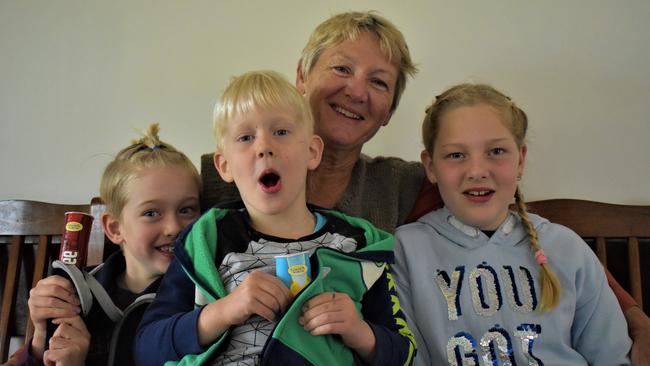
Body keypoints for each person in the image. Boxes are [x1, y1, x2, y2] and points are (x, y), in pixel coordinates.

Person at [198, 10, 649, 365]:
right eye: (342, 68)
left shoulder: (405, 183)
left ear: (389, 111)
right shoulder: (231, 174)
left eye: (379, 82)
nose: (357, 91)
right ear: (302, 75)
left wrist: (633, 315)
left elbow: (530, 239)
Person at [134, 71, 415, 366]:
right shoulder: (207, 239)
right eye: (245, 137)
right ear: (224, 165)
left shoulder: (359, 245)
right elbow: (146, 349)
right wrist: (225, 311)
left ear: (312, 151)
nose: (264, 147)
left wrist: (360, 332)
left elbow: (405, 355)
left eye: (281, 132)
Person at [392, 83, 632, 365]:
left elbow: (612, 356)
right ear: (431, 167)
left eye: (496, 151)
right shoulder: (405, 251)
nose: (477, 171)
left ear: (521, 160)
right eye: (456, 155)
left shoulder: (565, 247)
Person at [6, 124, 201, 366]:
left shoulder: (202, 293)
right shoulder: (78, 294)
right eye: (151, 213)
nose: (174, 227)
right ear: (115, 228)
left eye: (187, 209)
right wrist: (40, 339)